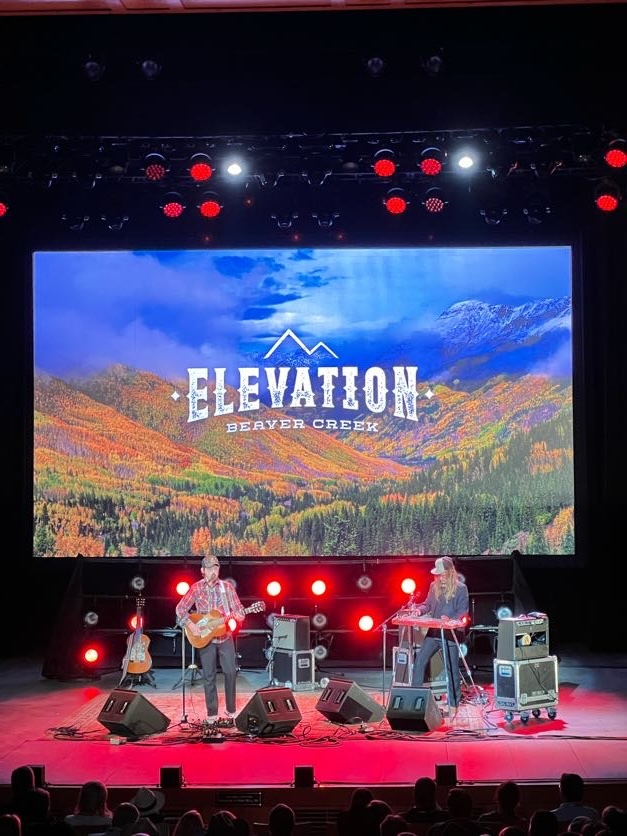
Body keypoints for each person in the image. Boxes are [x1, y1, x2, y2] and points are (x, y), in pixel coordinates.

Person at [175, 554, 246, 726]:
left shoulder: (227, 588)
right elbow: (180, 609)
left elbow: (239, 611)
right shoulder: (196, 588)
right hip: (205, 639)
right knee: (209, 676)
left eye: (215, 568)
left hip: (224, 636)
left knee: (230, 672)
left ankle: (230, 711)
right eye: (209, 568)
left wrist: (239, 616)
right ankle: (212, 713)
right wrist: (191, 626)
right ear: (202, 571)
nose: (213, 571)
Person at [410, 556, 469, 711]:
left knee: (452, 669)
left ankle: (453, 704)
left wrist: (450, 619)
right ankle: (415, 699)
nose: (440, 578)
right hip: (434, 632)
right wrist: (419, 610)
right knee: (419, 662)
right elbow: (427, 604)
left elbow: (463, 613)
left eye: (443, 574)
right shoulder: (433, 586)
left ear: (450, 573)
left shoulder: (461, 588)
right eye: (438, 575)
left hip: (450, 634)